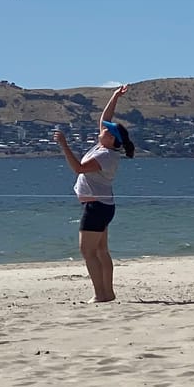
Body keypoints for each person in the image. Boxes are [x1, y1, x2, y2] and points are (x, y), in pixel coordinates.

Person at [53, 84, 134, 302]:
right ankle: (108, 293)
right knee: (100, 251)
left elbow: (78, 168)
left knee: (87, 251)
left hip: (96, 207)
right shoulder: (103, 147)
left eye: (106, 131)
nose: (102, 130)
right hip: (102, 206)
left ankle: (100, 294)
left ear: (112, 138)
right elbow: (104, 117)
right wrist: (115, 96)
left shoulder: (106, 156)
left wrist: (63, 145)